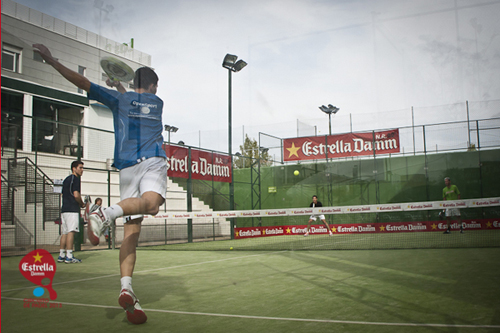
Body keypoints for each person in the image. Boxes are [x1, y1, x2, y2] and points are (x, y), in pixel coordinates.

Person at [34, 44, 168, 325]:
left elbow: (84, 82)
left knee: (133, 228)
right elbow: (137, 103)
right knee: (153, 205)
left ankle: (127, 288)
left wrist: (51, 60)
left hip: (127, 167)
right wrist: (120, 86)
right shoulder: (157, 102)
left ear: (134, 83)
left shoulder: (120, 100)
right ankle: (104, 214)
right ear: (154, 85)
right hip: (151, 161)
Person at [58, 160, 85, 264]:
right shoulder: (76, 179)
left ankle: (61, 255)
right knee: (71, 232)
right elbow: (76, 195)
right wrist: (82, 204)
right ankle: (69, 256)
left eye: (82, 168)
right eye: (80, 168)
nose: (82, 170)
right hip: (72, 210)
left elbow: (62, 194)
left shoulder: (66, 180)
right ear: (74, 168)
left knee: (65, 232)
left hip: (64, 210)